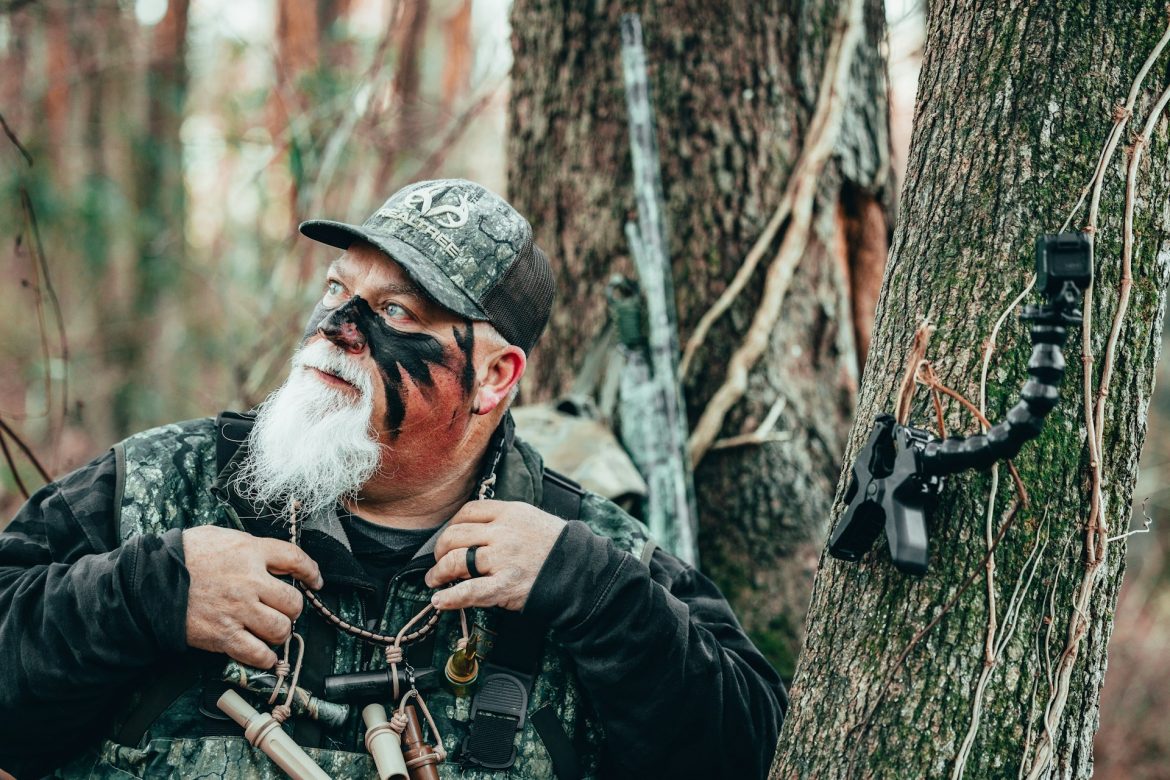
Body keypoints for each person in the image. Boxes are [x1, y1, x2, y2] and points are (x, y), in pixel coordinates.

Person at [0, 179, 786, 779]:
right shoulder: (163, 483)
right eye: (338, 291)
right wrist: (143, 595)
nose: (335, 328)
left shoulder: (587, 556)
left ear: (493, 378)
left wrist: (596, 593)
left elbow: (754, 748)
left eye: (397, 312)